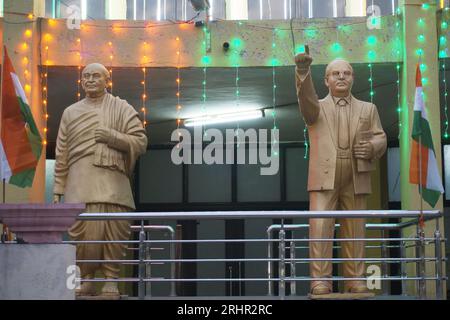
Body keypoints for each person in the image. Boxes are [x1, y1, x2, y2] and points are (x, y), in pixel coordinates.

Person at [295, 48, 387, 295]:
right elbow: (306, 101)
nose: (341, 77)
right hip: (324, 175)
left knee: (355, 227)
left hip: (356, 173)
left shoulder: (368, 109)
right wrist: (303, 73)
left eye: (346, 73)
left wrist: (372, 147)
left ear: (353, 78)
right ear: (326, 80)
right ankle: (320, 280)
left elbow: (381, 137)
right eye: (335, 74)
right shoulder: (316, 109)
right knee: (321, 228)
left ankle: (356, 278)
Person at [53, 63, 148, 297]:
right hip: (78, 183)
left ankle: (111, 281)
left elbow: (140, 142)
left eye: (96, 76)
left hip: (113, 183)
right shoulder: (70, 112)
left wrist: (112, 137)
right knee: (81, 234)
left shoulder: (122, 109)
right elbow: (61, 152)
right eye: (86, 76)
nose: (90, 80)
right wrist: (57, 188)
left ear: (107, 80)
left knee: (113, 232)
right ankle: (85, 279)